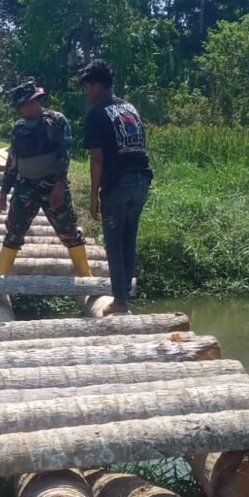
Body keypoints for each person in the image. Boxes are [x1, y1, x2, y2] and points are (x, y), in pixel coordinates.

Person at [79, 59, 153, 316]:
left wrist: (93, 196)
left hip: (119, 183)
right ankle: (124, 298)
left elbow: (97, 159)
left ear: (98, 87)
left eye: (87, 88)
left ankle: (120, 300)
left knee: (113, 242)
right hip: (141, 180)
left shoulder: (97, 113)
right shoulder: (129, 108)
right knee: (128, 240)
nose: (86, 93)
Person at [0, 79, 91, 278]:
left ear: (33, 102)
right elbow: (12, 161)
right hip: (25, 187)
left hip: (52, 185)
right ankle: (1, 278)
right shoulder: (19, 128)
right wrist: (4, 191)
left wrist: (59, 183)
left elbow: (64, 154)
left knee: (69, 232)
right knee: (14, 231)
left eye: (22, 106)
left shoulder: (56, 121)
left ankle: (85, 277)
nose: (20, 111)